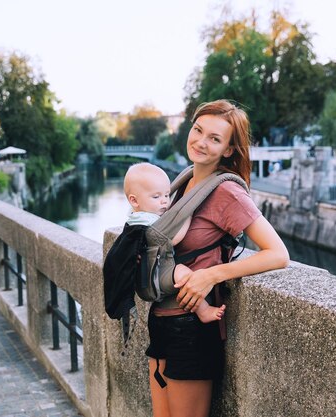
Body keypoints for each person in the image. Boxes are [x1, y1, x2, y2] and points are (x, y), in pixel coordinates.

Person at [146, 100, 289, 417]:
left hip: (193, 329)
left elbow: (278, 254)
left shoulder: (226, 192)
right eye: (198, 130)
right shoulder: (183, 182)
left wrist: (212, 275)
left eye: (214, 138)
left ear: (228, 149)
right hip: (161, 319)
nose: (200, 141)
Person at [123, 162, 226, 323]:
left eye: (166, 195)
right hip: (158, 275)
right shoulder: (148, 220)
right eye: (156, 197)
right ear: (134, 201)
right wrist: (187, 214)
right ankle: (203, 310)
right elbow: (175, 238)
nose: (164, 201)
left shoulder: (136, 218)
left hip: (148, 276)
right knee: (185, 275)